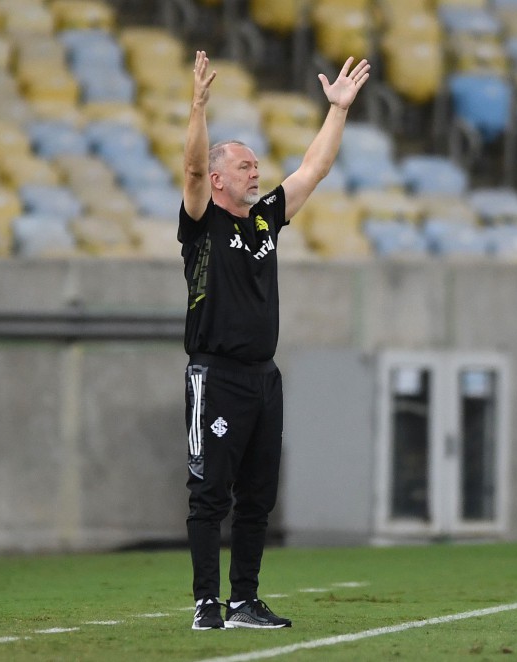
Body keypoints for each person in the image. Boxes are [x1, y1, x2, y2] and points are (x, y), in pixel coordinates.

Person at [178, 50, 370, 630]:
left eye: (256, 166)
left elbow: (313, 168)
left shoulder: (264, 219)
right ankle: (206, 604)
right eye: (244, 167)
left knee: (258, 498)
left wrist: (335, 111)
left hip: (264, 377)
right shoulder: (203, 220)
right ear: (218, 179)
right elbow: (189, 171)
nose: (255, 174)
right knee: (209, 494)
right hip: (215, 375)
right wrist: (199, 106)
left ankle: (244, 601)